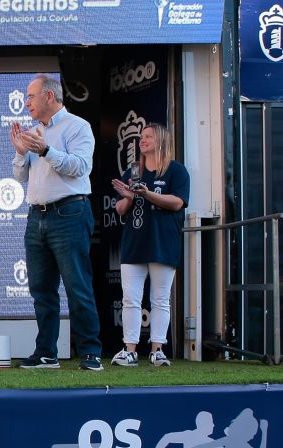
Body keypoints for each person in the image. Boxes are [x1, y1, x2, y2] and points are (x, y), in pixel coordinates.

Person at [10, 74, 102, 370]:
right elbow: (21, 177)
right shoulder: (36, 131)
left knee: (77, 285)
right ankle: (46, 352)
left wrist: (46, 150)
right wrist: (21, 153)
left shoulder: (78, 127)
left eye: (31, 96)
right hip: (37, 215)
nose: (27, 102)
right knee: (41, 289)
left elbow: (80, 167)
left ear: (50, 96)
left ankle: (90, 352)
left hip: (70, 213)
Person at [110, 123, 190, 367]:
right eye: (141, 137)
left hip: (163, 242)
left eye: (148, 137)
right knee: (130, 299)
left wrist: (146, 194)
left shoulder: (176, 170)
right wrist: (129, 198)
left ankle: (157, 350)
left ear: (161, 141)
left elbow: (177, 202)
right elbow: (121, 209)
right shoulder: (133, 171)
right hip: (135, 242)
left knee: (160, 299)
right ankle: (130, 350)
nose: (142, 141)